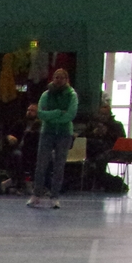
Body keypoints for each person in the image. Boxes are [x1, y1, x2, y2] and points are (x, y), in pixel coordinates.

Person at [28, 66, 77, 209]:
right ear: (53, 79)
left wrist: (52, 117)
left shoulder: (72, 95)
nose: (59, 80)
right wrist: (58, 112)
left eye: (62, 78)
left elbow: (70, 115)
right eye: (56, 77)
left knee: (59, 166)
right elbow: (41, 114)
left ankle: (55, 197)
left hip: (64, 134)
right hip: (47, 133)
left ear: (66, 79)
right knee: (41, 165)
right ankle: (36, 195)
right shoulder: (46, 95)